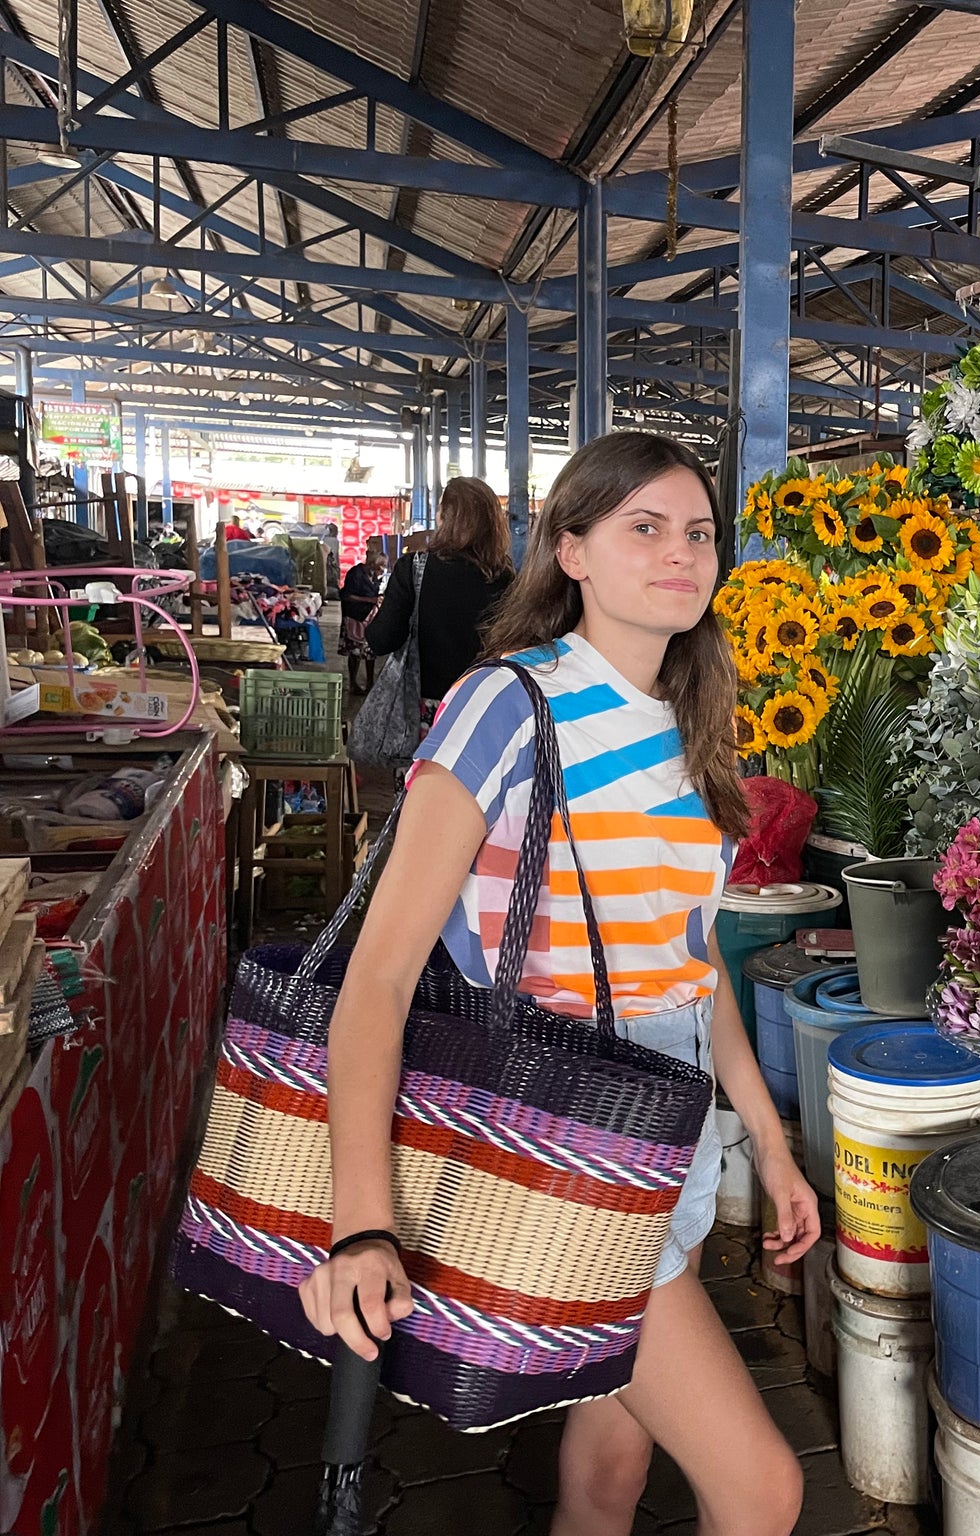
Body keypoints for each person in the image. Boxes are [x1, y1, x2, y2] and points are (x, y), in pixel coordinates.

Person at [297, 432, 815, 1536]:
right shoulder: (508, 703)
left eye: (698, 534)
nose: (681, 555)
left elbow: (692, 965)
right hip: (562, 1141)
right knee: (763, 1490)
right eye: (645, 528)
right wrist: (362, 1224)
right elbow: (377, 979)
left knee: (610, 1471)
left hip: (669, 1126)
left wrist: (769, 1144)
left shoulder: (693, 721)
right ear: (569, 551)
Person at [366, 476, 515, 710]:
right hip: (482, 710)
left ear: (444, 517)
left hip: (423, 712)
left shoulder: (412, 569)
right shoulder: (505, 577)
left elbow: (381, 641)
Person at [337, 545, 387, 694]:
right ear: (372, 564)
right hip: (355, 617)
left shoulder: (375, 577)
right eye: (381, 566)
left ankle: (370, 683)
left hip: (369, 618)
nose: (383, 570)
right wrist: (369, 600)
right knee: (355, 652)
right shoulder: (356, 574)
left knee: (370, 652)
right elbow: (347, 596)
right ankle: (353, 683)